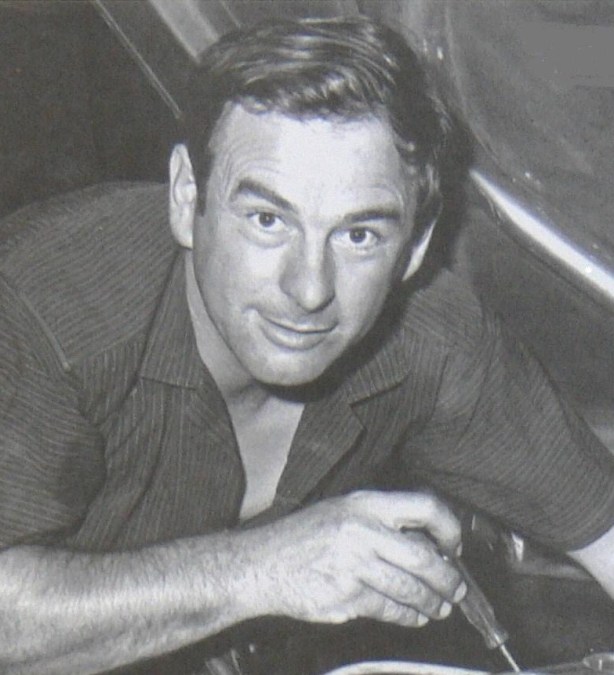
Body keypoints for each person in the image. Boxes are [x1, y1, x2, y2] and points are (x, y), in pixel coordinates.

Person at [0, 14, 614, 675]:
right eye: (268, 219)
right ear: (186, 197)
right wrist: (263, 569)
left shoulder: (434, 336)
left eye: (358, 235)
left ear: (414, 247)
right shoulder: (42, 310)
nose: (310, 288)